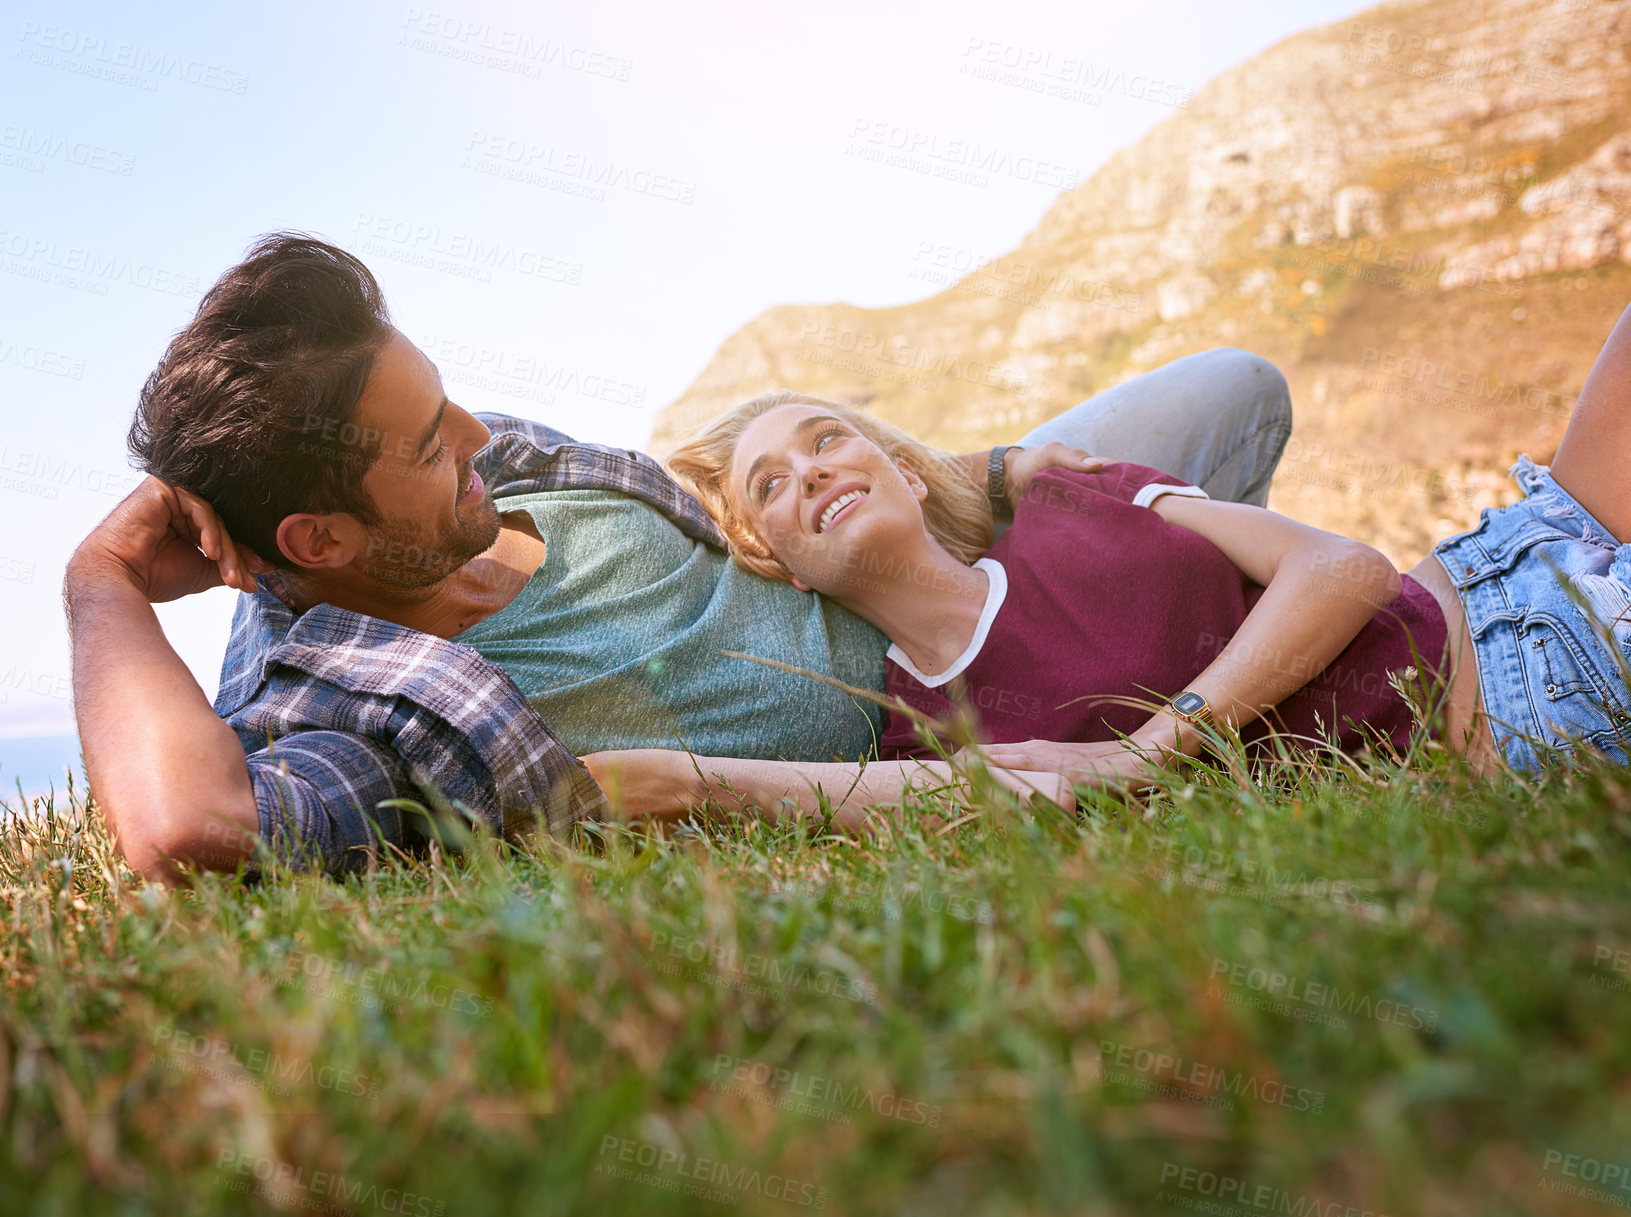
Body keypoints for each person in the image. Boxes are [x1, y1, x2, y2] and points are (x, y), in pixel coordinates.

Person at [63, 232, 1291, 883]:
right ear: (321, 542)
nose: (481, 438)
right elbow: (185, 828)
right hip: (941, 718)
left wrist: (981, 477)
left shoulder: (508, 470)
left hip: (920, 560)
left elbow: (733, 495)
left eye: (452, 406)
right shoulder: (348, 714)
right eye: (434, 447)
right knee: (1212, 619)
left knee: (1229, 392)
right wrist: (100, 579)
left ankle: (1230, 619)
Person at [597, 306, 1631, 810]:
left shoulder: (1065, 494)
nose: (811, 472)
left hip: (1503, 556)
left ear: (906, 472)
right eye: (770, 486)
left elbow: (1344, 570)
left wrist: (1150, 746)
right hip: (1522, 699)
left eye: (825, 438)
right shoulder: (925, 743)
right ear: (781, 566)